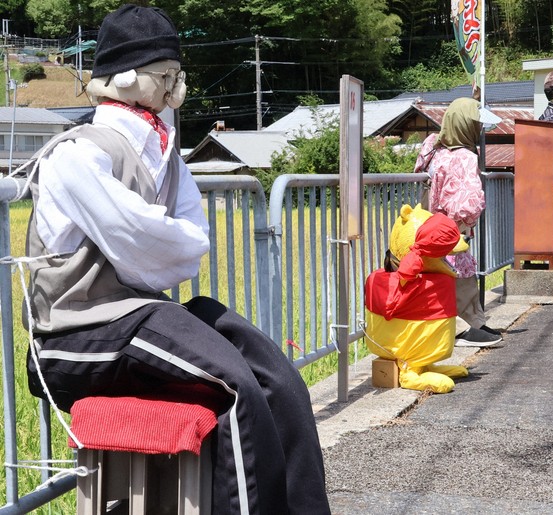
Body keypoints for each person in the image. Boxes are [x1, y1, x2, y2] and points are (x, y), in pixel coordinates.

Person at [22, 5, 330, 514]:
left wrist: (157, 247)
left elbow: (187, 251)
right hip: (69, 337)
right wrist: (157, 248)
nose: (174, 86)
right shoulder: (76, 153)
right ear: (123, 77)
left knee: (277, 374)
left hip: (137, 319)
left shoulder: (166, 155)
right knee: (233, 386)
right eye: (163, 74)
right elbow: (147, 253)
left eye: (175, 74)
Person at [414, 97, 502, 348]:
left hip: (427, 224)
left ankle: (468, 324)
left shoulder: (433, 147)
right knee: (460, 275)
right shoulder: (465, 157)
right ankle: (466, 328)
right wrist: (467, 222)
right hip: (452, 228)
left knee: (438, 277)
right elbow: (470, 203)